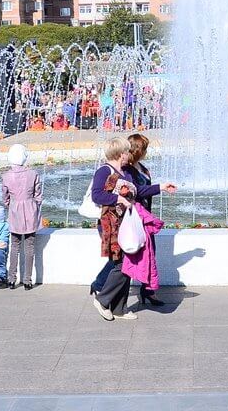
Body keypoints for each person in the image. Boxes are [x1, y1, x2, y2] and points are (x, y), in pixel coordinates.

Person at [123, 133, 177, 307]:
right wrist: (160, 187)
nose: (147, 151)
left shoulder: (141, 168)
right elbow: (138, 191)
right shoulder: (128, 171)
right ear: (138, 150)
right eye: (145, 148)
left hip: (145, 216)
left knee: (150, 252)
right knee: (131, 255)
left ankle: (148, 291)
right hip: (135, 218)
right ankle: (102, 285)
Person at [90, 137, 137, 321]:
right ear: (120, 153)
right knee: (122, 262)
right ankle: (103, 299)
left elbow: (139, 191)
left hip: (124, 222)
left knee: (125, 261)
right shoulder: (104, 171)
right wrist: (119, 199)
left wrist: (160, 188)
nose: (128, 155)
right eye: (126, 152)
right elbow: (97, 195)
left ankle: (119, 308)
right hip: (109, 224)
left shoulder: (125, 172)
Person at [1, 143, 42, 291]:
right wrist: (34, 205)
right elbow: (38, 195)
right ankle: (27, 280)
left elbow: (5, 198)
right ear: (25, 157)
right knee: (30, 246)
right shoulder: (33, 174)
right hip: (30, 211)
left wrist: (11, 205)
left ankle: (11, 279)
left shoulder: (6, 176)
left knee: (15, 246)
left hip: (15, 212)